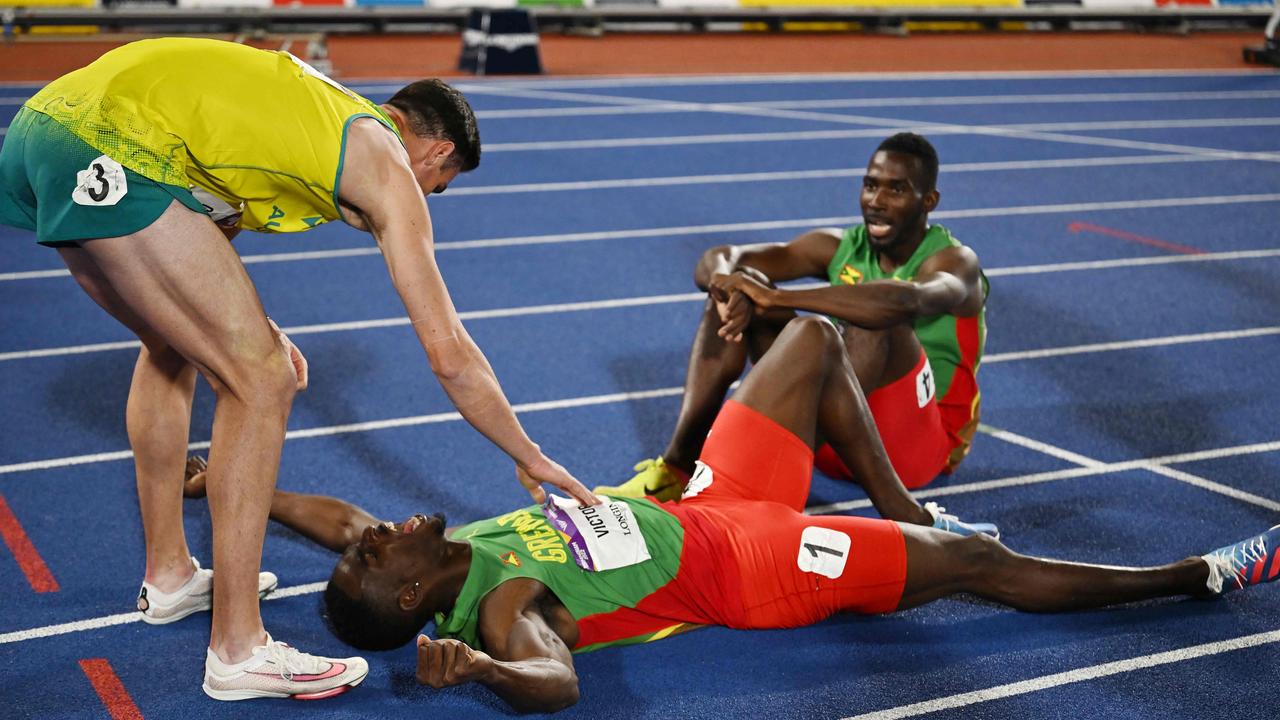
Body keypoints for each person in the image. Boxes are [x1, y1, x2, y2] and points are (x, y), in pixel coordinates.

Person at [187, 316, 1279, 714]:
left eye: (367, 542)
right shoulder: (511, 602)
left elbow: (328, 520)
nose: (374, 532)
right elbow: (556, 685)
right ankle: (1197, 576)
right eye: (378, 556)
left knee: (802, 335)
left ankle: (900, 498)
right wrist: (481, 673)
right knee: (974, 561)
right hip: (755, 563)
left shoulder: (428, 555)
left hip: (703, 498)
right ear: (418, 597)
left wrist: (227, 480)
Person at [0, 37, 597, 701]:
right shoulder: (387, 163)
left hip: (44, 130)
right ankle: (238, 648)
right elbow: (448, 352)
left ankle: (169, 574)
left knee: (175, 346)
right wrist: (529, 454)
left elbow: (193, 263)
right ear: (435, 153)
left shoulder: (307, 120)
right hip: (109, 140)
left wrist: (261, 332)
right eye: (441, 187)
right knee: (261, 381)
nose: (431, 197)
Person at [597, 132, 986, 503]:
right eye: (870, 186)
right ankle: (676, 472)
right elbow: (722, 256)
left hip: (917, 451)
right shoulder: (840, 245)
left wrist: (778, 296)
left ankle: (755, 479)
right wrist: (727, 287)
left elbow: (904, 300)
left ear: (929, 201)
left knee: (877, 322)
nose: (877, 201)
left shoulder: (956, 263)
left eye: (896, 190)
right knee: (742, 286)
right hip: (836, 435)